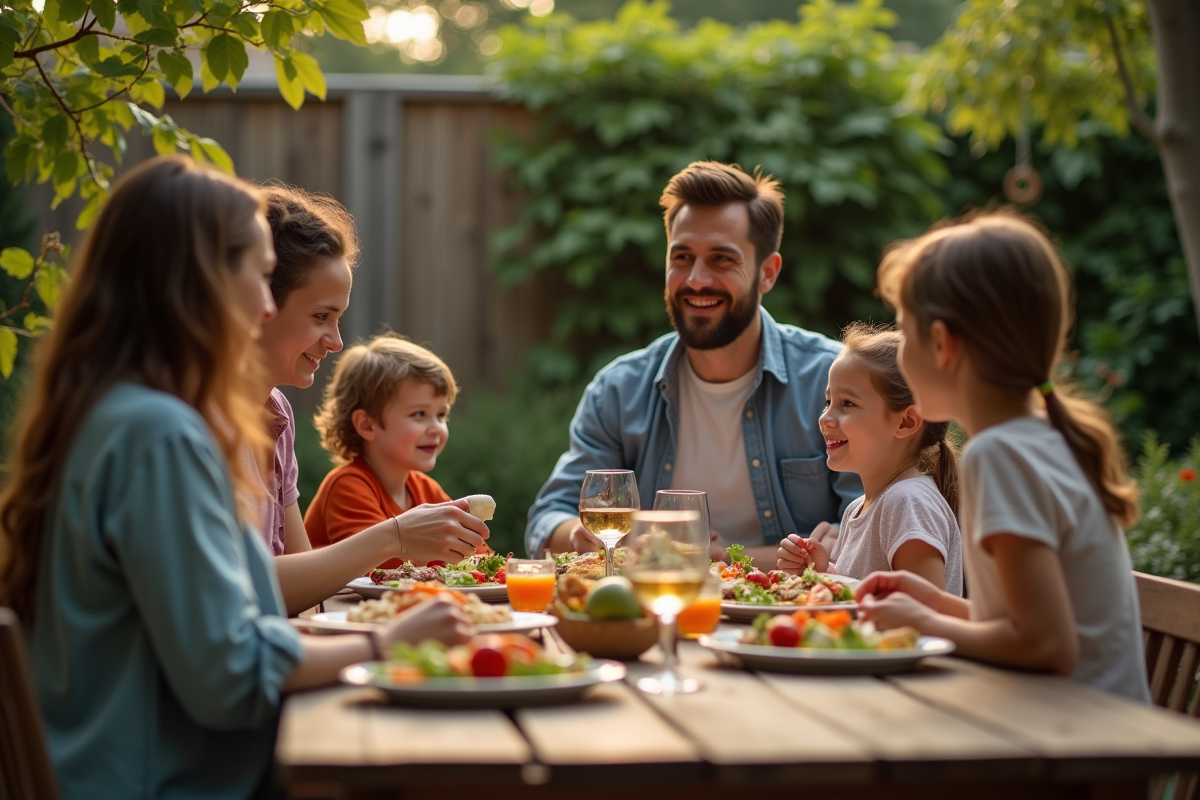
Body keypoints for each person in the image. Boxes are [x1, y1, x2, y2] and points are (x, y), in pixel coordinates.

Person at [0, 156, 470, 800]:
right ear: (202, 285)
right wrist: (390, 641)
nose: (263, 302)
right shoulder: (162, 437)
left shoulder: (119, 412)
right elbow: (231, 677)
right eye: (261, 275)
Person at [855, 210, 1150, 703]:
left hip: (1075, 743)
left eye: (905, 333)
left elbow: (1047, 646)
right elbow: (1027, 626)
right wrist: (936, 603)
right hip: (1089, 732)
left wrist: (926, 622)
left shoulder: (1000, 453)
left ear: (943, 344)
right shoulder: (1040, 436)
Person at [526, 161, 862, 562]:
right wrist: (584, 537)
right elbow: (549, 517)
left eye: (721, 259)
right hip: (653, 609)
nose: (697, 279)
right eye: (682, 257)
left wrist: (723, 560)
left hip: (796, 618)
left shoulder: (831, 381)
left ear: (767, 273)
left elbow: (872, 528)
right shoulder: (618, 390)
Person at [254, 186, 489, 614]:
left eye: (338, 318)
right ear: (259, 303)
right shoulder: (189, 423)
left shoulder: (278, 415)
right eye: (321, 316)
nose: (337, 341)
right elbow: (243, 592)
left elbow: (299, 591)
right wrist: (395, 536)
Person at [775, 323, 963, 594]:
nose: (825, 418)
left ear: (906, 422)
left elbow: (925, 614)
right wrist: (823, 573)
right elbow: (860, 593)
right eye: (828, 402)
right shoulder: (857, 509)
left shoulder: (907, 502)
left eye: (847, 404)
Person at [306, 333, 464, 567]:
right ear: (367, 425)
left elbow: (477, 552)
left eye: (441, 415)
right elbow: (384, 567)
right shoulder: (347, 486)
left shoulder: (426, 490)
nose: (436, 428)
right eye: (419, 414)